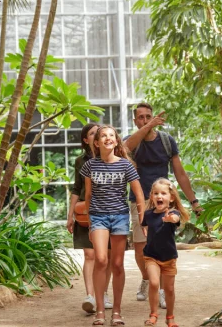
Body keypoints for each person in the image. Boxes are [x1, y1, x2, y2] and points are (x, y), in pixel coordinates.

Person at [124, 102, 201, 308]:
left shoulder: (167, 141)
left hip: (163, 200)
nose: (145, 120)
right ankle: (148, 279)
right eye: (141, 117)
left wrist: (193, 201)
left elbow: (180, 174)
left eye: (148, 116)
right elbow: (124, 149)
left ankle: (160, 290)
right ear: (135, 121)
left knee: (163, 246)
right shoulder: (132, 142)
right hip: (139, 200)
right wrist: (146, 129)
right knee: (141, 247)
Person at [80, 125, 145, 326]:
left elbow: (139, 195)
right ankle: (100, 310)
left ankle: (116, 311)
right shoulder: (90, 165)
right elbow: (88, 196)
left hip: (119, 217)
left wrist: (143, 221)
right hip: (98, 217)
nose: (108, 138)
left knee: (117, 264)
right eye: (103, 136)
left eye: (111, 136)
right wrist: (90, 222)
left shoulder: (126, 165)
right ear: (96, 143)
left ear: (116, 141)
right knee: (100, 259)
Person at [66, 123, 114, 313]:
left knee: (107, 257)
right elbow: (77, 188)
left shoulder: (112, 156)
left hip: (108, 212)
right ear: (86, 140)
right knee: (90, 254)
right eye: (93, 133)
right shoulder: (81, 161)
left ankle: (103, 292)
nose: (97, 135)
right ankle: (90, 296)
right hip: (86, 214)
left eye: (99, 132)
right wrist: (70, 216)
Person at [141, 178, 190, 327]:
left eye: (163, 193)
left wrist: (169, 218)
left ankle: (170, 317)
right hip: (151, 256)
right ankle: (153, 314)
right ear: (151, 197)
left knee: (169, 289)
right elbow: (145, 225)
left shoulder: (173, 212)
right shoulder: (148, 214)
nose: (159, 196)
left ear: (171, 197)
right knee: (154, 283)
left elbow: (175, 219)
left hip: (169, 258)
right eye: (156, 193)